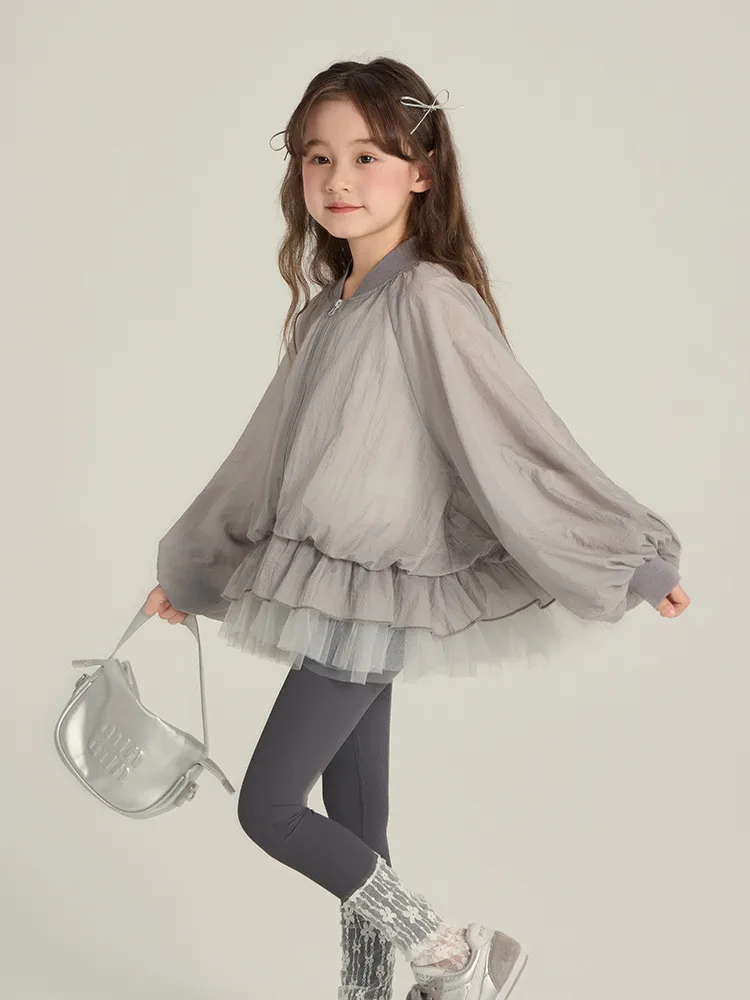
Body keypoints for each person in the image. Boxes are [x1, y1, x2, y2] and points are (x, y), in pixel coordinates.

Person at [144, 56, 690, 1000]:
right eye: (318, 158)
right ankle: (367, 992)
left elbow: (517, 438)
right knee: (359, 820)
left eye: (367, 157)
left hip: (375, 589)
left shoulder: (428, 298)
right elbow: (264, 457)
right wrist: (195, 569)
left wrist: (628, 556)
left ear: (422, 170)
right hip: (334, 589)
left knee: (269, 807)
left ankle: (451, 954)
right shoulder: (330, 313)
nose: (339, 180)